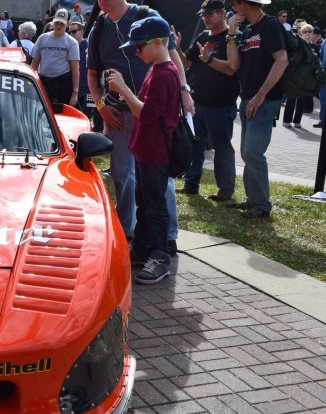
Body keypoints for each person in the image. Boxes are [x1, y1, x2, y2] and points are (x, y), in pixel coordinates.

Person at [87, 0, 193, 245]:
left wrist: (184, 91)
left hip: (152, 116)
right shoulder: (99, 27)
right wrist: (102, 107)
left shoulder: (147, 16)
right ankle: (129, 232)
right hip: (119, 115)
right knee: (123, 175)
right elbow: (92, 75)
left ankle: (166, 238)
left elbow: (173, 56)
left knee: (159, 178)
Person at [107, 16, 180, 284]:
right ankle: (144, 250)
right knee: (145, 202)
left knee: (156, 205)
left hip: (156, 151)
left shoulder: (165, 74)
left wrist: (124, 89)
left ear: (158, 42)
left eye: (139, 46)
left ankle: (160, 257)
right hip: (145, 148)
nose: (136, 52)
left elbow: (147, 114)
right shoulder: (157, 69)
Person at [225, 0, 288, 219]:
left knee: (253, 152)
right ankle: (252, 200)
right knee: (246, 152)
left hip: (264, 99)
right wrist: (232, 33)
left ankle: (262, 205)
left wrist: (261, 95)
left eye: (235, 2)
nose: (233, 6)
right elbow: (234, 65)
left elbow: (282, 61)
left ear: (243, 3)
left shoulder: (270, 25)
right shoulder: (249, 30)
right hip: (248, 99)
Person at [177, 0, 240, 202]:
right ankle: (191, 183)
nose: (205, 19)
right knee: (195, 145)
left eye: (209, 14)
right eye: (203, 15)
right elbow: (186, 63)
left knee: (222, 147)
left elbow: (232, 68)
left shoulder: (233, 38)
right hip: (198, 103)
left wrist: (209, 60)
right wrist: (176, 48)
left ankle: (225, 189)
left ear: (222, 13)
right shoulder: (203, 36)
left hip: (221, 105)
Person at [31, 10, 79, 107]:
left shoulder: (72, 42)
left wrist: (75, 93)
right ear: (53, 22)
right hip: (44, 82)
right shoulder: (42, 38)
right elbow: (34, 65)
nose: (59, 26)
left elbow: (75, 69)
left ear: (68, 24)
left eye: (62, 23)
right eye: (57, 22)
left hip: (63, 84)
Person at [282, 24, 317, 128]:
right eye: (305, 32)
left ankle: (297, 121)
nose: (307, 34)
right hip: (295, 75)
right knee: (292, 98)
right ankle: (286, 120)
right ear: (301, 33)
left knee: (301, 100)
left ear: (312, 33)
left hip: (307, 77)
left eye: (309, 31)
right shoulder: (297, 44)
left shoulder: (314, 46)